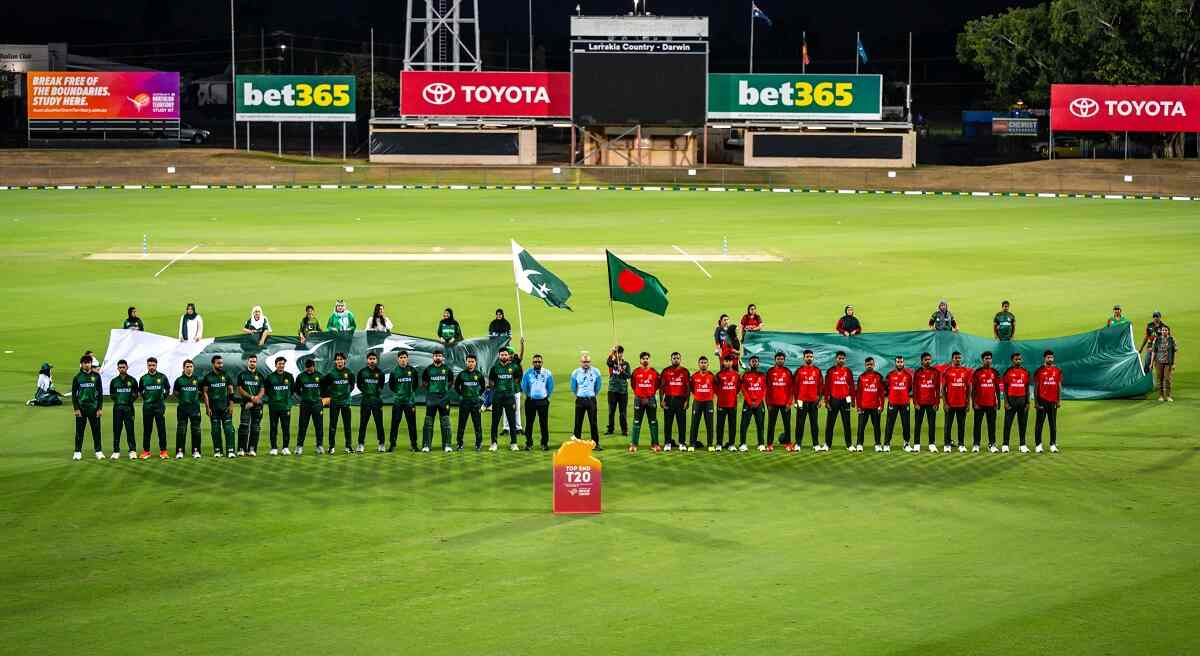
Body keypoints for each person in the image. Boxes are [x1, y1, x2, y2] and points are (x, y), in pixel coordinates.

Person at [201, 355, 237, 458]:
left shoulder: (226, 375)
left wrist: (231, 405)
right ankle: (218, 450)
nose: (221, 365)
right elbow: (205, 393)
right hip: (213, 409)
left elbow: (231, 391)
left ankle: (230, 450)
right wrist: (207, 408)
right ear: (213, 364)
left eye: (221, 363)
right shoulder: (208, 377)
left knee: (229, 430)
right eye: (218, 363)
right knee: (215, 430)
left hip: (225, 408)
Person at [487, 347, 522, 450]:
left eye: (505, 355)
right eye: (502, 355)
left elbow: (517, 378)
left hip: (509, 398)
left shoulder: (514, 367)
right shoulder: (494, 368)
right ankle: (493, 443)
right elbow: (491, 382)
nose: (504, 356)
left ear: (508, 356)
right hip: (497, 397)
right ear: (499, 356)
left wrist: (508, 388)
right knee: (495, 421)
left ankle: (514, 443)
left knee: (512, 421)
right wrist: (498, 389)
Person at [71, 354, 104, 460]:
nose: (87, 365)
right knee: (79, 431)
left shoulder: (97, 376)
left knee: (96, 431)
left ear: (91, 364)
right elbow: (74, 394)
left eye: (88, 363)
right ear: (81, 364)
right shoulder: (77, 377)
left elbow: (100, 393)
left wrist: (99, 408)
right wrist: (76, 408)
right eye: (85, 363)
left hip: (94, 408)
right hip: (81, 408)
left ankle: (98, 451)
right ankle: (77, 452)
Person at [322, 352, 355, 454]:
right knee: (333, 425)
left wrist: (346, 394)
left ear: (344, 360)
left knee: (347, 425)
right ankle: (331, 447)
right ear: (335, 361)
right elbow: (323, 385)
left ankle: (348, 446)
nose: (339, 361)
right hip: (334, 402)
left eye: (341, 359)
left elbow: (352, 386)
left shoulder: (349, 373)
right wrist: (329, 396)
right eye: (337, 359)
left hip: (345, 402)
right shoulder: (331, 373)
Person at [139, 357, 170, 459]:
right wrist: (147, 399)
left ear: (156, 365)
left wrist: (162, 398)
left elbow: (167, 389)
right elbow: (141, 391)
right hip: (147, 407)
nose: (151, 367)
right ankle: (146, 451)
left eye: (153, 365)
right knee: (147, 430)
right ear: (147, 366)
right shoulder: (143, 378)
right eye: (149, 365)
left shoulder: (162, 377)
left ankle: (163, 451)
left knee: (161, 429)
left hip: (159, 407)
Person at [388, 351, 419, 452]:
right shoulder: (393, 372)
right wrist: (399, 394)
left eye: (404, 357)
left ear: (407, 359)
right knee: (395, 423)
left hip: (410, 402)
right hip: (398, 402)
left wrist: (409, 394)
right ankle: (392, 444)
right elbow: (392, 386)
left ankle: (414, 445)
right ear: (398, 359)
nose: (403, 359)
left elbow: (415, 385)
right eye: (401, 357)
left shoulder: (413, 371)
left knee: (412, 424)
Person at [570, 351, 603, 448]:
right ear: (580, 362)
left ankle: (595, 444)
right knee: (578, 422)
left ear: (590, 362)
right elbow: (573, 387)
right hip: (580, 400)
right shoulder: (575, 372)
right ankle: (576, 444)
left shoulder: (596, 371)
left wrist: (592, 394)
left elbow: (598, 385)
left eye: (588, 362)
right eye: (584, 362)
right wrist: (579, 394)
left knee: (593, 422)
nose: (586, 364)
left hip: (591, 400)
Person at [521, 354, 554, 451]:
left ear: (542, 362)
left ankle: (544, 443)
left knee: (544, 423)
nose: (537, 363)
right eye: (535, 362)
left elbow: (550, 387)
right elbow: (524, 386)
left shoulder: (547, 373)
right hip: (531, 401)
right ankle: (529, 443)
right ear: (532, 363)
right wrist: (529, 395)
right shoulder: (528, 373)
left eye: (539, 361)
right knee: (529, 423)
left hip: (543, 402)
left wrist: (546, 396)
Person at [235, 354, 266, 456]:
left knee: (255, 427)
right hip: (245, 404)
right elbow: (240, 390)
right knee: (244, 426)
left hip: (256, 405)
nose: (252, 363)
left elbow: (262, 390)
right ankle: (241, 449)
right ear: (247, 362)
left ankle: (252, 449)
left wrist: (254, 400)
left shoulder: (260, 375)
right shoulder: (242, 375)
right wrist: (251, 398)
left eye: (254, 361)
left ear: (256, 363)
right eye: (251, 361)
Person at [629, 352, 660, 452]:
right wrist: (640, 394)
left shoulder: (654, 372)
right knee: (637, 422)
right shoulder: (636, 372)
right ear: (640, 360)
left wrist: (650, 394)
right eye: (643, 358)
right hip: (639, 399)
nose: (645, 360)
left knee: (653, 422)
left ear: (649, 360)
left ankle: (655, 444)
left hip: (651, 399)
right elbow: (633, 385)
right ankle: (634, 444)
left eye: (647, 358)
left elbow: (658, 384)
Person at [454, 354, 486, 451]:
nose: (470, 363)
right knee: (462, 424)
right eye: (469, 361)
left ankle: (478, 443)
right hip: (464, 403)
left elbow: (483, 387)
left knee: (477, 424)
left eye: (472, 361)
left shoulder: (479, 374)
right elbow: (456, 387)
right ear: (466, 362)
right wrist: (462, 395)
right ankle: (459, 443)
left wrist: (477, 395)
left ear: (475, 363)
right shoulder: (462, 374)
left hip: (475, 403)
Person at [823, 351, 855, 450]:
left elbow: (852, 387)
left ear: (845, 360)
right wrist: (826, 401)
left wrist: (853, 400)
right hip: (833, 400)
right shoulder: (830, 371)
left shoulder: (848, 371)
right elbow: (827, 387)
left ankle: (849, 445)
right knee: (830, 423)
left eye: (843, 358)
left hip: (845, 400)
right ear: (836, 359)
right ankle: (827, 445)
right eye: (839, 358)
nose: (841, 360)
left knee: (847, 423)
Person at [659, 352, 690, 451]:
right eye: (674, 358)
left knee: (682, 423)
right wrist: (661, 400)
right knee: (668, 423)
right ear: (671, 359)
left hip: (681, 400)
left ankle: (682, 443)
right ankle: (667, 443)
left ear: (680, 359)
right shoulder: (666, 371)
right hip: (669, 399)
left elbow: (688, 388)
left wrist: (687, 401)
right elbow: (661, 387)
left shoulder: (685, 371)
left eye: (677, 358)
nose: (675, 359)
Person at [793, 350, 823, 450]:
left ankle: (816, 444)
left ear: (813, 358)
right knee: (800, 424)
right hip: (801, 400)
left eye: (810, 356)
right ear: (803, 358)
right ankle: (798, 444)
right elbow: (795, 387)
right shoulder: (799, 370)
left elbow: (820, 387)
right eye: (807, 356)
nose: (809, 358)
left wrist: (819, 400)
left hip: (813, 401)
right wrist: (796, 400)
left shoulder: (817, 371)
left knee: (814, 424)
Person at [1033, 350, 1062, 453]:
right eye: (1048, 357)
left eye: (1051, 357)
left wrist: (1059, 400)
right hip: (1042, 400)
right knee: (1039, 423)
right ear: (1044, 358)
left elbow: (1059, 386)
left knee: (1053, 424)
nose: (1050, 359)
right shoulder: (1039, 371)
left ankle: (1053, 444)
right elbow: (1036, 387)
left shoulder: (1057, 370)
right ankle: (1038, 444)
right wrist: (1036, 402)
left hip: (1053, 401)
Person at [942, 351, 972, 452]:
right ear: (952, 359)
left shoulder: (965, 371)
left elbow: (969, 387)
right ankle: (947, 444)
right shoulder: (947, 371)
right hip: (950, 404)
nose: (957, 359)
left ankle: (961, 444)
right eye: (956, 358)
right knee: (948, 425)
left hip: (962, 404)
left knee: (961, 425)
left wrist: (968, 403)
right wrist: (945, 403)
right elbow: (943, 388)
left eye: (959, 358)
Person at [264, 356, 295, 455]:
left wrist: (285, 400)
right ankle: (274, 448)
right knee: (273, 428)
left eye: (283, 364)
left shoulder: (289, 376)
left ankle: (285, 447)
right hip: (274, 406)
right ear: (275, 365)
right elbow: (267, 391)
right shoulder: (270, 377)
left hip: (285, 406)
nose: (281, 365)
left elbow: (292, 390)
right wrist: (275, 399)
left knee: (286, 427)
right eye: (279, 364)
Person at [108, 359, 138, 460]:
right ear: (117, 369)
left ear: (127, 367)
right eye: (120, 367)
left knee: (130, 430)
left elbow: (135, 394)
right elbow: (112, 395)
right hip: (117, 408)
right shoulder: (114, 381)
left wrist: (128, 401)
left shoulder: (132, 380)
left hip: (129, 408)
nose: (122, 369)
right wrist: (119, 400)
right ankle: (116, 451)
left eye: (123, 367)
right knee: (116, 430)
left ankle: (132, 451)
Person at [356, 352, 386, 452]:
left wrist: (375, 393)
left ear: (376, 360)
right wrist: (366, 392)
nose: (372, 360)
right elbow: (359, 385)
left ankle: (381, 443)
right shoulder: (362, 372)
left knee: (379, 423)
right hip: (366, 400)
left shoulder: (380, 373)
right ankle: (360, 444)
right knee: (363, 423)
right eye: (370, 359)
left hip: (377, 401)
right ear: (367, 360)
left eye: (374, 358)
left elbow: (381, 386)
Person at [173, 360, 203, 459]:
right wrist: (184, 399)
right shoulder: (179, 380)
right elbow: (176, 393)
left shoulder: (197, 380)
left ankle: (196, 451)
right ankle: (180, 451)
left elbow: (201, 392)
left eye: (191, 366)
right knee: (181, 430)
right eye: (187, 366)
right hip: (182, 408)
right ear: (183, 368)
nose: (189, 368)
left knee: (196, 430)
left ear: (193, 368)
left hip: (195, 408)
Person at [293, 358, 324, 455]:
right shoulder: (301, 376)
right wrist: (303, 396)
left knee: (319, 426)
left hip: (317, 404)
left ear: (313, 366)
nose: (308, 369)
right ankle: (299, 446)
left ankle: (319, 446)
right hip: (305, 404)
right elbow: (296, 389)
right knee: (302, 426)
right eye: (307, 368)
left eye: (310, 368)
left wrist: (319, 398)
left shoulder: (320, 376)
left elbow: (325, 388)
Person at [484, 310, 512, 410]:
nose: (499, 316)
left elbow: (509, 337)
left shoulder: (506, 324)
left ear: (503, 315)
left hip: (503, 350)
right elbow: (490, 337)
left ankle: (489, 403)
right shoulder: (493, 324)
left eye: (500, 314)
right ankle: (488, 403)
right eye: (497, 314)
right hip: (494, 350)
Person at [1002, 353, 1030, 453]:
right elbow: (1005, 388)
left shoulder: (1025, 372)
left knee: (1022, 424)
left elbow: (1027, 388)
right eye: (1016, 359)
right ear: (1012, 360)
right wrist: (1005, 402)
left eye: (1019, 359)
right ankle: (1005, 444)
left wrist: (1028, 402)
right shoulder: (1008, 372)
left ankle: (1022, 444)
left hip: (1022, 401)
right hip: (1011, 401)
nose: (1018, 361)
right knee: (1008, 424)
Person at [972, 352, 1000, 452]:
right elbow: (974, 389)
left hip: (991, 404)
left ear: (991, 360)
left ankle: (992, 444)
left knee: (992, 425)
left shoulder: (995, 372)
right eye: (986, 358)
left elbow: (997, 388)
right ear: (982, 360)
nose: (988, 360)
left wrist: (998, 403)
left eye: (989, 358)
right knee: (977, 425)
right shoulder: (977, 372)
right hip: (979, 404)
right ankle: (976, 444)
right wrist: (974, 403)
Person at [913, 353, 940, 453]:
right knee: (918, 424)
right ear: (921, 361)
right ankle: (916, 444)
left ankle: (932, 444)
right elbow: (915, 389)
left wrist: (937, 403)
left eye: (929, 359)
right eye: (925, 359)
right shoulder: (917, 372)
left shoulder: (935, 372)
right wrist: (915, 402)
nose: (928, 361)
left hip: (931, 403)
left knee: (932, 424)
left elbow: (937, 389)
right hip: (919, 403)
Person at [765, 351, 793, 451]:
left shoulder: (788, 372)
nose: (780, 361)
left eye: (782, 359)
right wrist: (768, 403)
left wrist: (789, 403)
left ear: (784, 360)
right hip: (773, 403)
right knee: (771, 424)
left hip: (785, 404)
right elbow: (767, 389)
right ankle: (769, 444)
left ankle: (788, 443)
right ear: (775, 360)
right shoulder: (770, 372)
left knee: (787, 425)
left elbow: (791, 389)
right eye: (778, 359)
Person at [885, 356, 913, 451]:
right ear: (895, 363)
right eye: (898, 362)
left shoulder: (908, 375)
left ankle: (906, 443)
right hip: (893, 403)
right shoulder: (890, 375)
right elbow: (886, 387)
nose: (900, 363)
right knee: (890, 423)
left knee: (906, 424)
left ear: (903, 363)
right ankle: (887, 444)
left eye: (901, 362)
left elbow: (909, 388)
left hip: (905, 403)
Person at [856, 357, 884, 452]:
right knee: (861, 427)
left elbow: (881, 393)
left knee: (876, 427)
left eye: (871, 364)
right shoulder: (861, 377)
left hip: (875, 407)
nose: (869, 366)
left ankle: (878, 444)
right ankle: (859, 444)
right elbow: (858, 394)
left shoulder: (878, 376)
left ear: (874, 365)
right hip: (863, 407)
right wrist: (858, 406)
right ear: (865, 365)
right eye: (868, 364)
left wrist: (882, 405)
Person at [740, 355, 767, 451]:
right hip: (748, 403)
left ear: (758, 363)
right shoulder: (745, 375)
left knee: (760, 424)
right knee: (744, 424)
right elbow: (743, 389)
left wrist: (758, 401)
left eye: (756, 361)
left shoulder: (763, 375)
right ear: (749, 363)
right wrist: (750, 401)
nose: (754, 362)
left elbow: (764, 389)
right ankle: (742, 444)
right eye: (752, 361)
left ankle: (761, 444)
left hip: (759, 403)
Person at [690, 356, 716, 450]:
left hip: (708, 402)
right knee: (694, 423)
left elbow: (716, 388)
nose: (703, 364)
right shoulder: (694, 376)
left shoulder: (712, 376)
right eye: (701, 362)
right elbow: (692, 389)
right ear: (698, 364)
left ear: (708, 364)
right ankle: (692, 444)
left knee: (709, 424)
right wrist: (698, 395)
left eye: (705, 362)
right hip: (697, 402)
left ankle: (710, 445)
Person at [604, 345, 631, 436]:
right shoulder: (613, 362)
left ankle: (624, 429)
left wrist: (622, 371)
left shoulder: (626, 364)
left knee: (622, 412)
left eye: (619, 353)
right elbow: (608, 362)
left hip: (623, 392)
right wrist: (612, 351)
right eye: (616, 353)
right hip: (612, 391)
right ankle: (610, 429)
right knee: (611, 411)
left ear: (622, 354)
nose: (618, 355)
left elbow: (628, 376)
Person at [715, 356, 740, 451]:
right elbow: (716, 387)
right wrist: (721, 395)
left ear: (733, 362)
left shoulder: (736, 375)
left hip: (732, 404)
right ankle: (719, 444)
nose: (728, 363)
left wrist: (732, 394)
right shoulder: (719, 375)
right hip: (721, 403)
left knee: (732, 424)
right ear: (723, 362)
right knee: (720, 425)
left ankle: (732, 444)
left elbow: (738, 388)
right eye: (726, 361)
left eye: (730, 361)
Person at [1148, 325, 1177, 402]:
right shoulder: (1157, 339)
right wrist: (1151, 363)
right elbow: (1154, 352)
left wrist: (1174, 363)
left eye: (1166, 330)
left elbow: (1174, 352)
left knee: (1167, 379)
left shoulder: (1172, 339)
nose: (1164, 331)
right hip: (1158, 362)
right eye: (1163, 330)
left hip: (1168, 362)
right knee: (1159, 379)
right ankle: (1161, 395)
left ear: (1168, 331)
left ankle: (1168, 396)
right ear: (1161, 331)